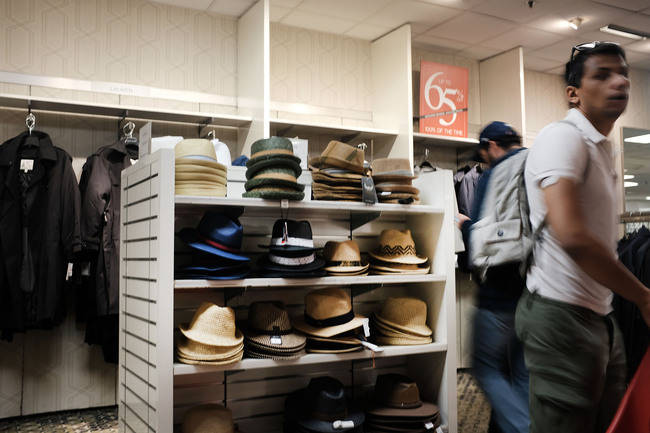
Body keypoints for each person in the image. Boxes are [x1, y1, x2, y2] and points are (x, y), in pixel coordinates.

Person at [516, 41, 650, 433]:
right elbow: (572, 235)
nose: (619, 81)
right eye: (602, 75)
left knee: (610, 422)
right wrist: (642, 295)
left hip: (598, 315)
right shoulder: (564, 138)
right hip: (562, 315)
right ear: (573, 93)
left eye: (623, 73)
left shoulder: (599, 146)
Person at [458, 121, 530, 433]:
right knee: (523, 374)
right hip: (532, 295)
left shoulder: (494, 174)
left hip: (497, 296)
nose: (483, 160)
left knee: (486, 369)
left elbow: (482, 241)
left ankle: (522, 427)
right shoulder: (535, 164)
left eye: (484, 153)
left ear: (491, 146)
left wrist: (464, 226)